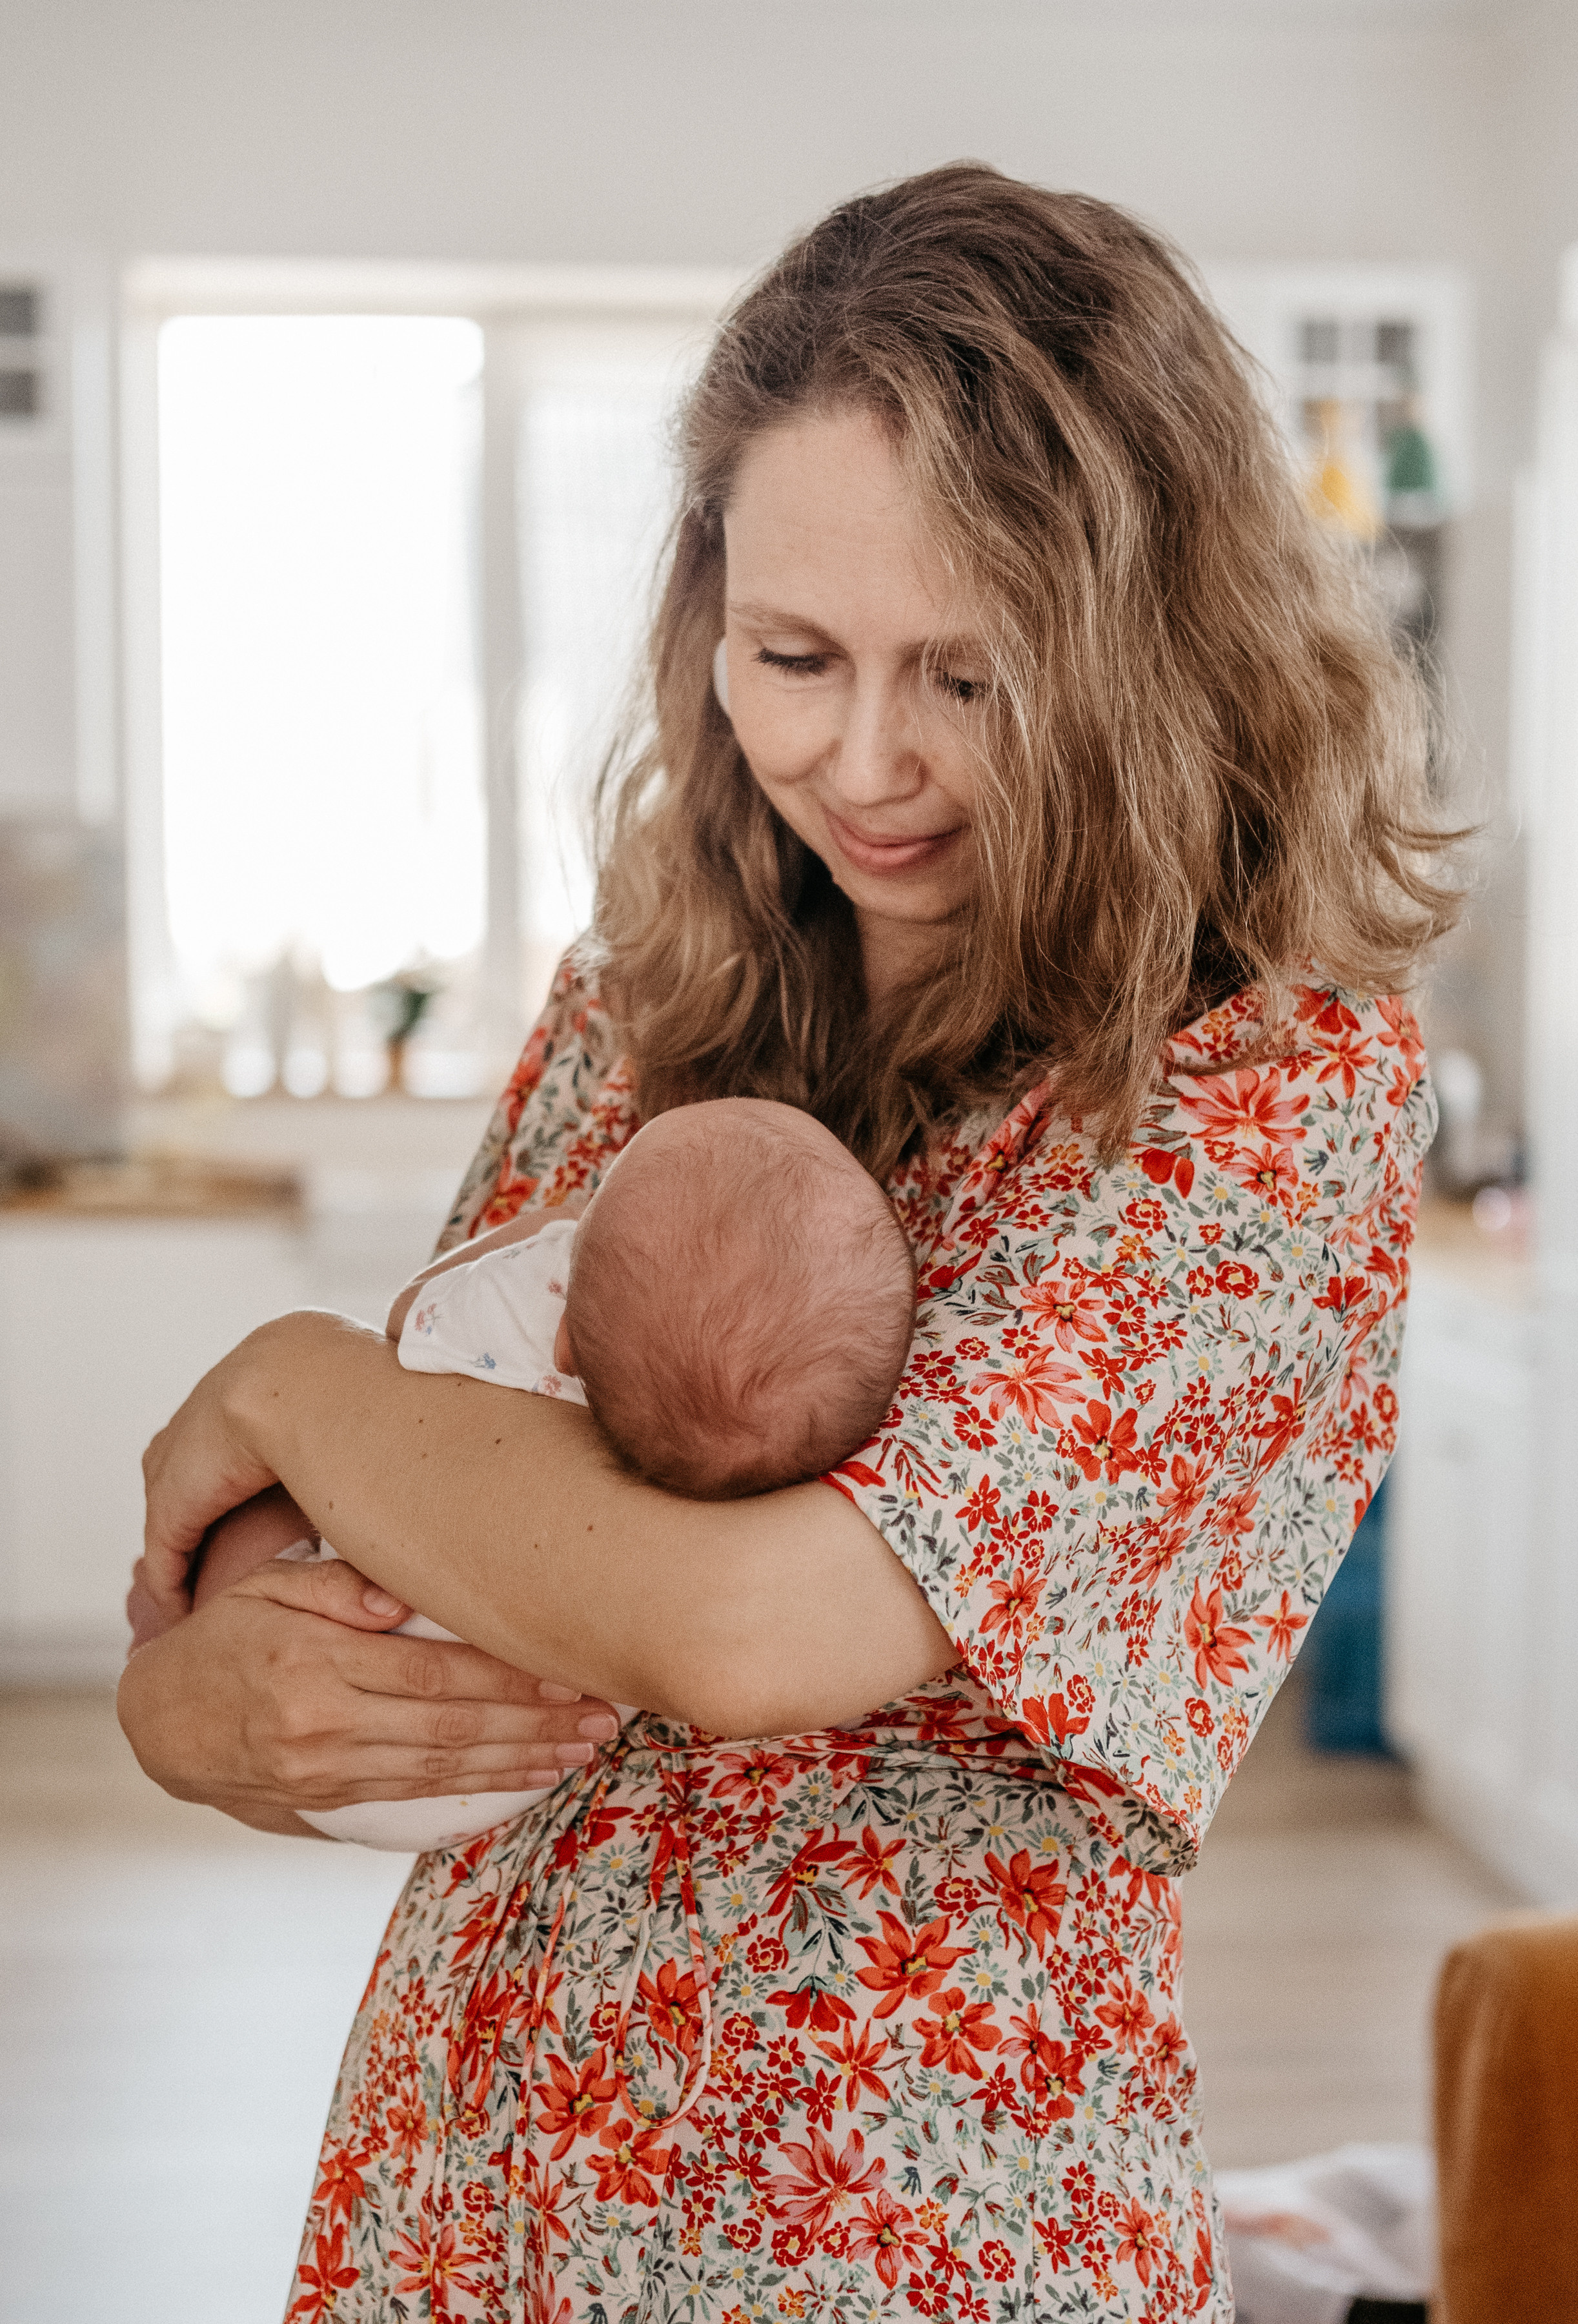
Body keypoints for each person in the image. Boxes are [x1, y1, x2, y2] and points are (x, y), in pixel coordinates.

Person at [119, 164, 1460, 2321]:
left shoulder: (1260, 1083)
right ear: (705, 616)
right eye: (792, 657)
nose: (864, 761)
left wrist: (285, 1373)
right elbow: (399, 1545)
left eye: (969, 675)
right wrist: (198, 1712)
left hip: (891, 2240)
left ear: (1145, 646)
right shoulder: (637, 1001)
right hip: (464, 2199)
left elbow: (743, 1633)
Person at [134, 1098, 915, 1851]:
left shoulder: (540, 1296)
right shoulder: (776, 1446)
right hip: (497, 1785)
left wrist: (552, 1230)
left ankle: (179, 1614)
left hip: (353, 1713)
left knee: (274, 1496)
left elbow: (411, 1318)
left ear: (566, 1342)